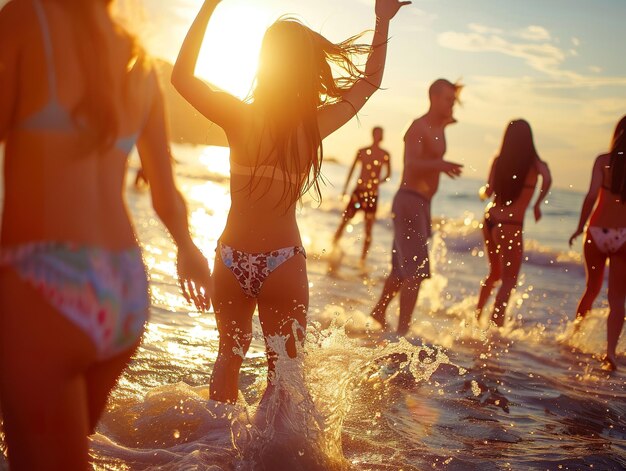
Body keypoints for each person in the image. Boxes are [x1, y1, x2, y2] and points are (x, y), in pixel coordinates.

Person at [0, 1, 211, 469]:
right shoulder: (138, 59)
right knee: (59, 450)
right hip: (123, 292)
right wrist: (188, 250)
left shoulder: (26, 18)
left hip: (42, 277)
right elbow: (166, 194)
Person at [172, 0, 410, 405]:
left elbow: (181, 77)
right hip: (281, 261)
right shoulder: (312, 127)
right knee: (282, 377)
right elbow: (368, 84)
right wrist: (381, 20)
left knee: (226, 360)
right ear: (304, 69)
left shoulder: (237, 116)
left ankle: (212, 453)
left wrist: (210, 5)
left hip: (230, 259)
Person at [370, 79, 463, 336]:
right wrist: (441, 164)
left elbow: (433, 153)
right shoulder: (417, 128)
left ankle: (379, 311)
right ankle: (403, 333)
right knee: (417, 271)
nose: (452, 104)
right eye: (448, 99)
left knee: (401, 270)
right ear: (433, 97)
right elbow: (411, 163)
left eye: (453, 101)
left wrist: (447, 118)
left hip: (421, 204)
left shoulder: (439, 125)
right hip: (409, 200)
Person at [476, 120, 551, 327]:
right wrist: (537, 203)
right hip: (510, 226)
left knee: (494, 273)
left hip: (490, 219)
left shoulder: (499, 160)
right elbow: (547, 177)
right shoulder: (534, 164)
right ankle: (495, 326)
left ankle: (477, 317)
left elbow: (487, 192)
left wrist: (481, 193)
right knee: (509, 280)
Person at [569, 116, 626, 371]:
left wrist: (580, 227)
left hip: (596, 231)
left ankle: (573, 336)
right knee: (617, 300)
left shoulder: (603, 162)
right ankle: (610, 355)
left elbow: (591, 196)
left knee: (591, 289)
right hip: (623, 235)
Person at [332, 126, 391, 263]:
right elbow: (352, 170)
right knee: (344, 221)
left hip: (372, 194)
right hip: (358, 192)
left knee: (368, 229)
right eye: (377, 134)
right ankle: (332, 248)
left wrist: (379, 182)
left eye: (381, 134)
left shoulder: (385, 154)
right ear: (373, 135)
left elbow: (388, 175)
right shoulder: (362, 151)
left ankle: (362, 260)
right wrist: (345, 190)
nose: (379, 136)